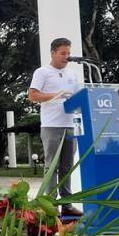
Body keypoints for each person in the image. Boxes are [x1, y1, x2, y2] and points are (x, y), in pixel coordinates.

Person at [28, 38, 83, 217]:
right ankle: (50, 204)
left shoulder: (72, 74)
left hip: (70, 125)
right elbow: (33, 96)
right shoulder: (42, 72)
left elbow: (77, 98)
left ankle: (67, 204)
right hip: (51, 125)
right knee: (52, 165)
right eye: (62, 53)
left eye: (68, 53)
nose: (66, 57)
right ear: (53, 52)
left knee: (67, 166)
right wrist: (56, 95)